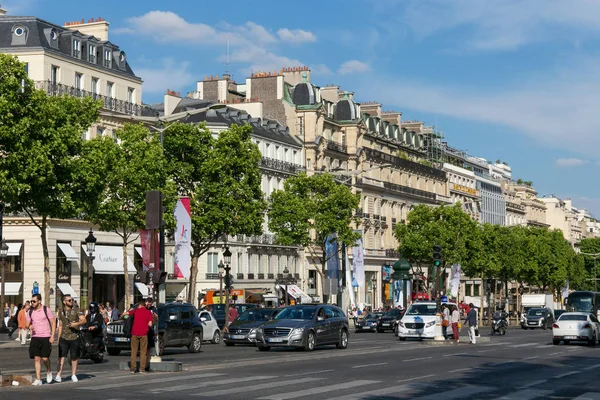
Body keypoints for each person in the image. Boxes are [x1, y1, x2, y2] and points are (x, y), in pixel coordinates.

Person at [26, 293, 56, 386]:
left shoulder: (46, 310)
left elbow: (53, 323)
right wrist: (29, 326)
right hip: (35, 337)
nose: (32, 303)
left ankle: (49, 370)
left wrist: (52, 336)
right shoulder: (30, 311)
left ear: (39, 301)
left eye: (34, 301)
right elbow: (27, 324)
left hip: (45, 336)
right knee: (37, 359)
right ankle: (38, 379)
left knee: (45, 358)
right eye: (31, 301)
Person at [55, 294, 86, 383]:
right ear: (64, 302)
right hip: (64, 337)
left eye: (71, 300)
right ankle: (58, 374)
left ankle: (73, 374)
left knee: (74, 356)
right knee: (61, 357)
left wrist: (76, 324)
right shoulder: (60, 310)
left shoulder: (76, 309)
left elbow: (84, 320)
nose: (71, 301)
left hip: (74, 336)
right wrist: (59, 337)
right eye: (69, 300)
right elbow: (60, 324)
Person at [128, 299, 153, 374]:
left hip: (134, 333)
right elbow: (150, 324)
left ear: (139, 305)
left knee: (134, 351)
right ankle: (142, 369)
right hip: (143, 334)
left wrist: (122, 316)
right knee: (143, 352)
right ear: (144, 305)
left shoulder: (135, 311)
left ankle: (133, 368)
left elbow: (127, 314)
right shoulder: (148, 313)